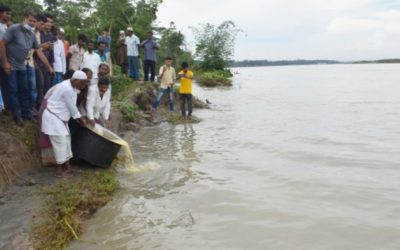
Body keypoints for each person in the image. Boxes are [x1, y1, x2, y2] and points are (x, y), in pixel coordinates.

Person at [0, 12, 54, 126]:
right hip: (11, 65)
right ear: (24, 19)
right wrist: (5, 62)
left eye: (34, 21)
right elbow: (2, 43)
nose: (32, 23)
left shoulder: (31, 34)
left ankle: (26, 113)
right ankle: (17, 115)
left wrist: (49, 66)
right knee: (14, 90)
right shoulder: (14, 29)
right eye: (30, 20)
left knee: (24, 89)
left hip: (22, 65)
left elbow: (39, 51)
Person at [41, 70, 88, 176]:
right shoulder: (67, 89)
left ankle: (67, 167)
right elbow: (72, 108)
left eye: (85, 83)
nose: (84, 86)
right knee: (60, 143)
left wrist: (79, 118)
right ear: (75, 80)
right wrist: (81, 120)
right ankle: (59, 170)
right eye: (82, 83)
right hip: (54, 118)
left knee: (67, 141)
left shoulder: (71, 85)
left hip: (61, 119)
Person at [0, 5, 12, 111]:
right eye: (7, 13)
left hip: (7, 58)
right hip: (1, 58)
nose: (9, 16)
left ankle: (6, 105)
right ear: (1, 13)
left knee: (6, 82)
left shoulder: (8, 27)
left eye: (10, 14)